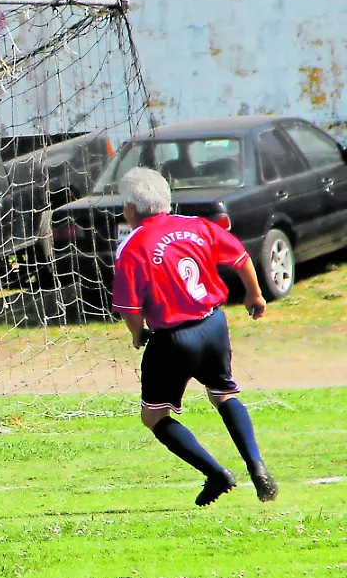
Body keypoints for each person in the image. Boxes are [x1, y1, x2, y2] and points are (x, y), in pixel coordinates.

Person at [111, 167, 278, 506]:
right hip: (213, 324)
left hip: (174, 338)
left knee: (154, 416)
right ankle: (256, 465)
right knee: (224, 394)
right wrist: (255, 294)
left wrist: (137, 333)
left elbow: (129, 306)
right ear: (167, 200)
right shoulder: (197, 226)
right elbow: (240, 256)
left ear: (130, 208)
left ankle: (216, 473)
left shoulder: (132, 246)